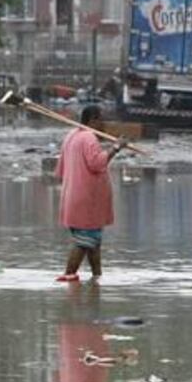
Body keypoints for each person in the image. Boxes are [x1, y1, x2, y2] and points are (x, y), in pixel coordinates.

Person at [54, 105, 127, 282]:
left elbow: (61, 170)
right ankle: (69, 275)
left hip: (73, 196)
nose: (103, 123)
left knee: (94, 242)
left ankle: (97, 278)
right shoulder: (88, 137)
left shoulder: (72, 136)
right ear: (93, 119)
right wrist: (115, 148)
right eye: (101, 119)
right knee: (85, 241)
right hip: (87, 200)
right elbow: (96, 163)